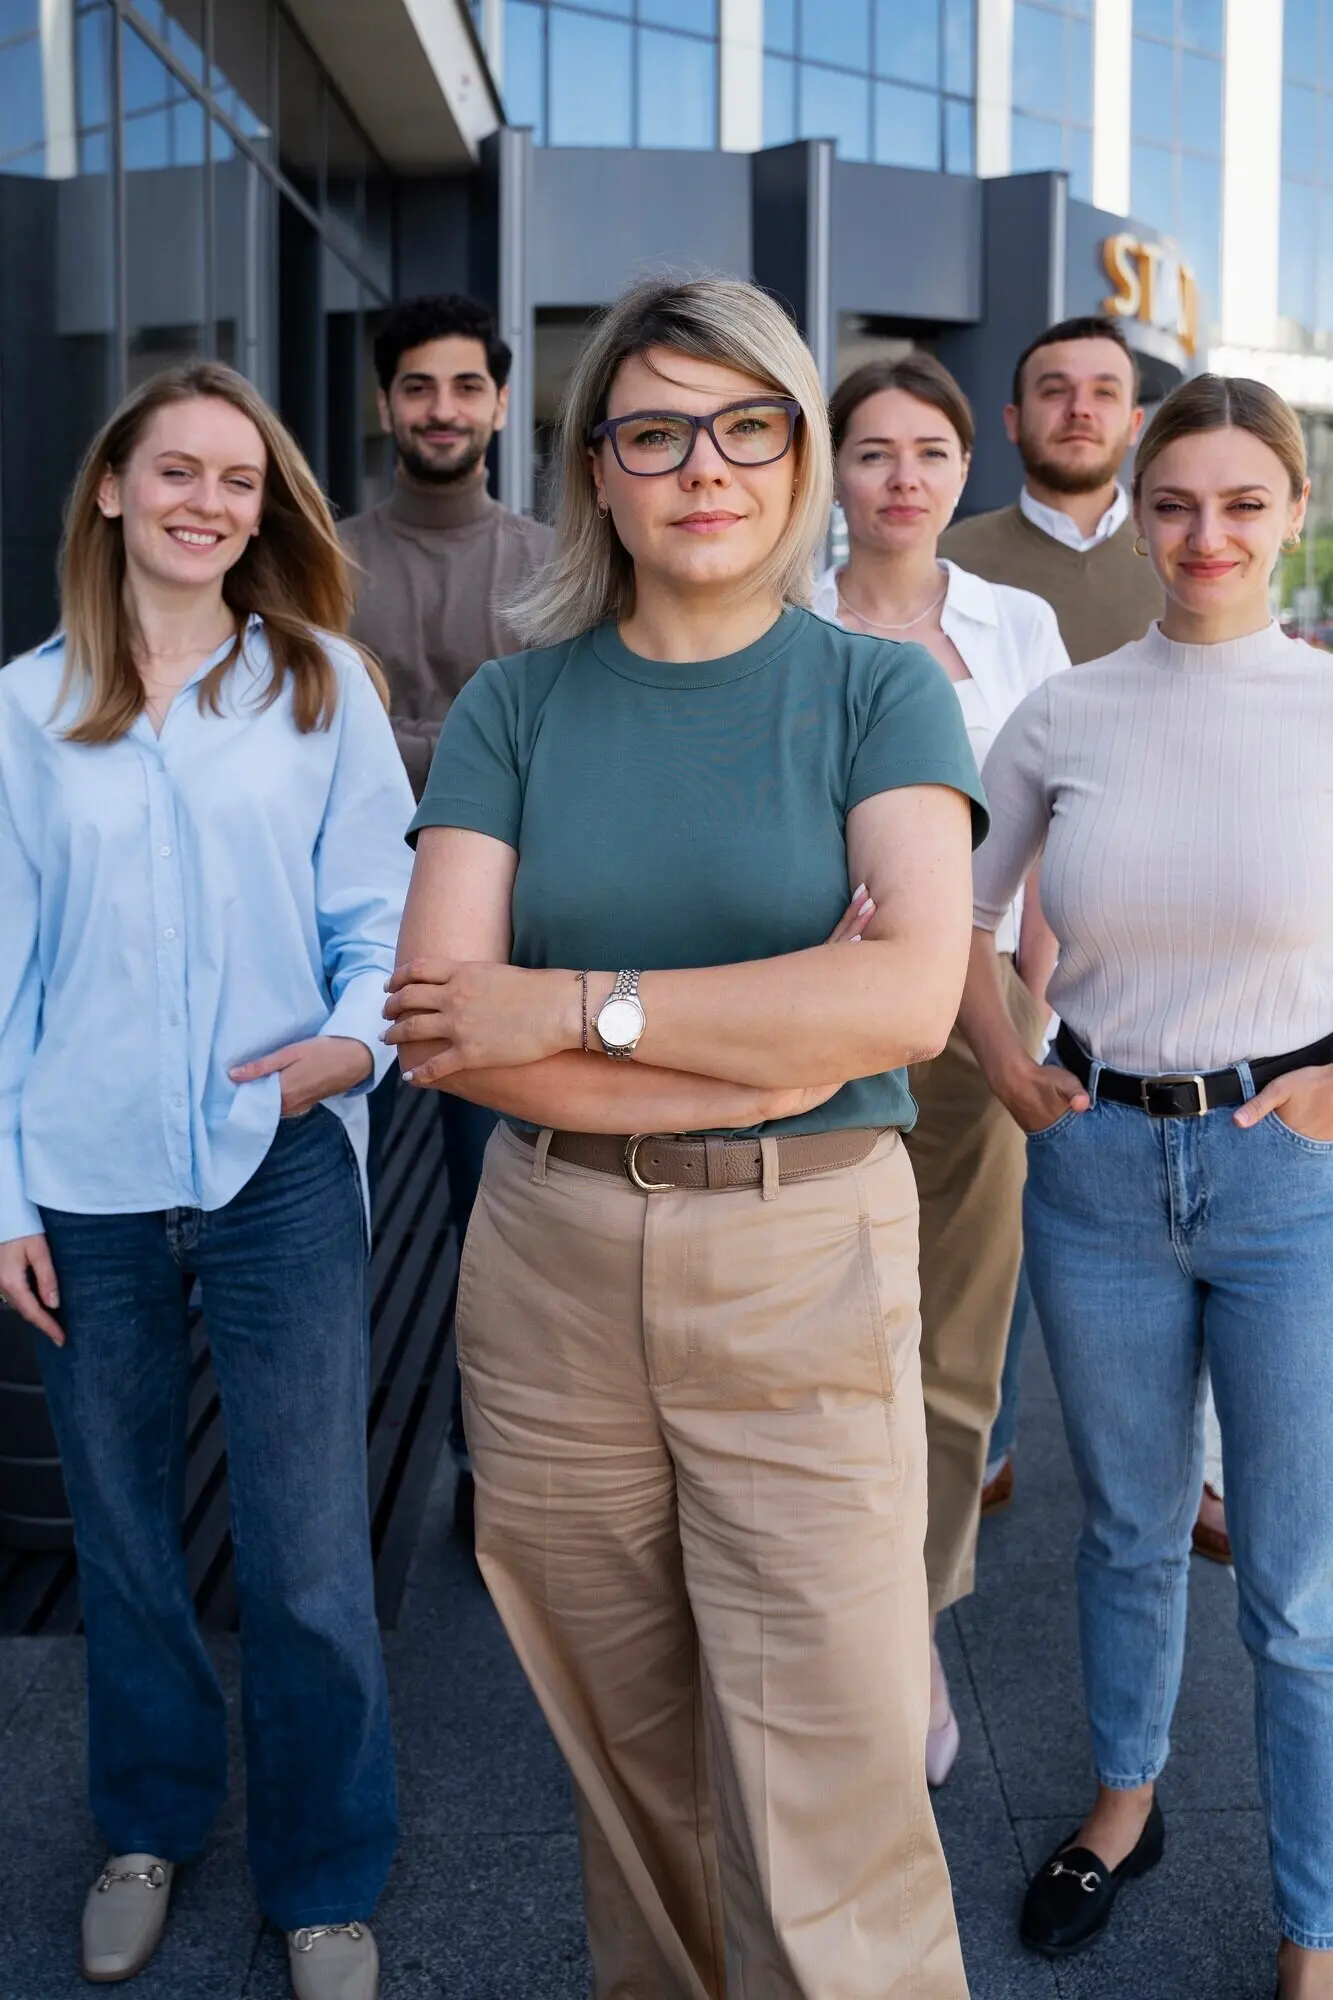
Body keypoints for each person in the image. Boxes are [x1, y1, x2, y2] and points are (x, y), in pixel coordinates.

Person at [383, 276, 989, 1998]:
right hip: (550, 1273)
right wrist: (770, 1014)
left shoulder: (881, 696)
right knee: (623, 1766)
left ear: (798, 454)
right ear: (596, 469)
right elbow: (447, 1027)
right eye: (653, 430)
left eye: (745, 425)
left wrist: (576, 1008)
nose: (700, 467)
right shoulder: (516, 704)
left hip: (801, 1258)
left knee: (832, 1776)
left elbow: (897, 1010)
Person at [0, 362, 413, 2000]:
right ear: (110, 490)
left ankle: (323, 1879)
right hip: (83, 1179)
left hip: (278, 1168)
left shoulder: (316, 685)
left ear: (267, 511)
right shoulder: (24, 713)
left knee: (307, 1549)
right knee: (120, 1537)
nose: (206, 503)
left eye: (238, 482)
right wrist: (5, 1199)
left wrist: (349, 1047)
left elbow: (383, 924)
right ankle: (147, 1827)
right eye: (175, 472)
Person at [958, 373, 1333, 1999]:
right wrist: (998, 1065)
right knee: (1118, 1528)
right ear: (1135, 501)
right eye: (1174, 499)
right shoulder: (1064, 713)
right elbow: (951, 923)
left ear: (1292, 514)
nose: (1203, 534)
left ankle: (1310, 1931)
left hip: (1285, 1177)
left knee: (1295, 1579)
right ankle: (1125, 1804)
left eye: (1242, 503)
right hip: (1096, 1164)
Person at [811, 353, 1069, 1787]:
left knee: (956, 1345)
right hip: (824, 1023)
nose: (902, 475)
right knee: (824, 1336)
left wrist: (1033, 996)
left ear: (966, 469)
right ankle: (820, 1622)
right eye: (871, 450)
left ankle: (906, 1630)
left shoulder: (1017, 622)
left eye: (929, 450)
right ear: (833, 472)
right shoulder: (783, 618)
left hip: (980, 1028)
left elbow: (1055, 819)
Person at [940, 312, 1165, 1511]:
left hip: (1158, 934)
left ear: (1131, 419)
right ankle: (982, 1438)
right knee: (997, 1182)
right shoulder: (960, 554)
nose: (1078, 408)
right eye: (1051, 389)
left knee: (1166, 1189)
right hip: (1003, 919)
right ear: (1016, 418)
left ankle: (1183, 1465)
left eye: (1101, 391)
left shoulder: (1184, 549)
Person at [341, 293, 555, 1526]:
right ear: (387, 403)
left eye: (464, 386)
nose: (441, 409)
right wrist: (478, 738)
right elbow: (312, 735)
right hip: (347, 944)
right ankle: (334, 1472)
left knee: (497, 1223)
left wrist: (400, 742)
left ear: (496, 401)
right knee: (332, 1225)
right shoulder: (325, 550)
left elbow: (556, 748)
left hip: (507, 950)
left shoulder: (543, 560)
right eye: (418, 386)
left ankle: (494, 1471)